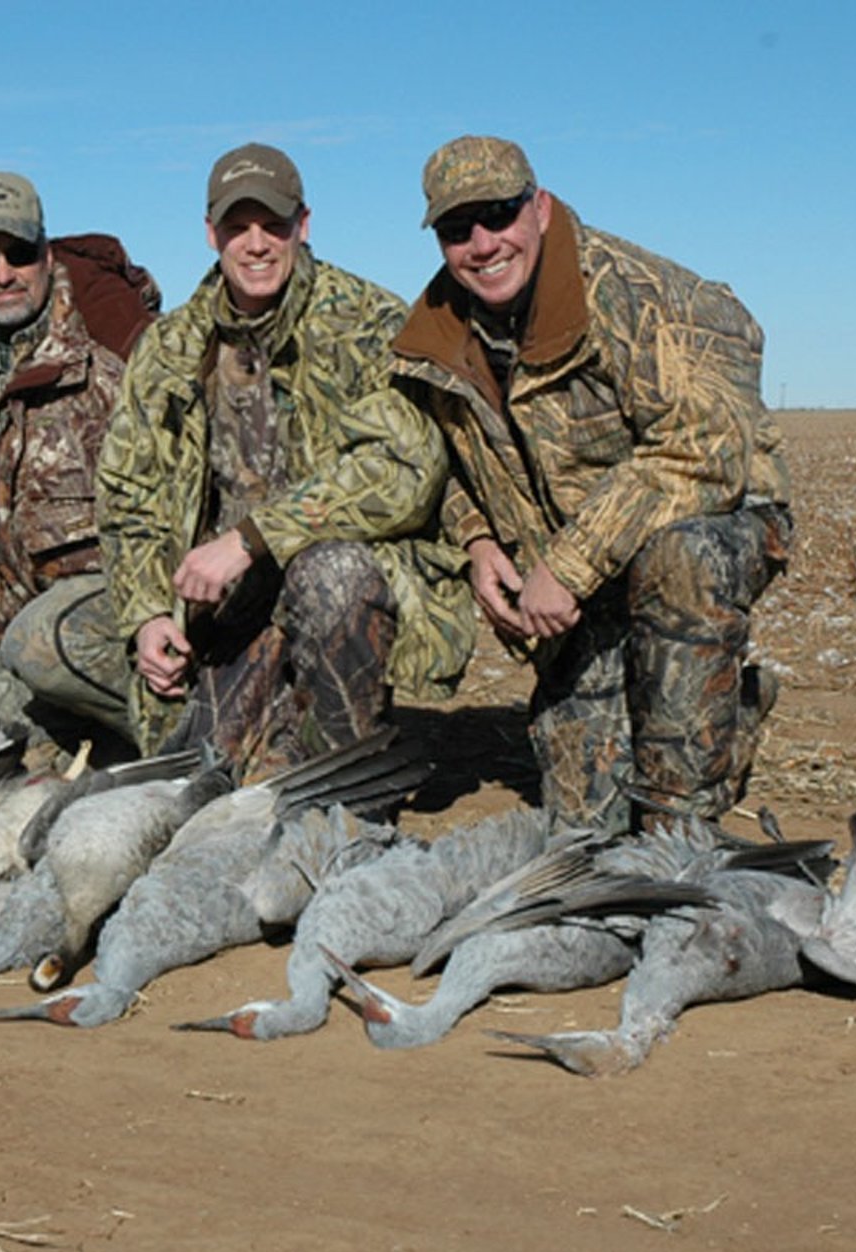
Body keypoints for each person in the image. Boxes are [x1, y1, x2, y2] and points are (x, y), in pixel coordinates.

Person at [391, 135, 793, 834]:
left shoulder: (646, 297)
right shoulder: (436, 334)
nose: (482, 244)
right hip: (579, 569)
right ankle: (714, 710)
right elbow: (439, 458)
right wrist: (477, 540)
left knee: (682, 559)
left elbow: (706, 450)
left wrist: (569, 567)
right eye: (458, 229)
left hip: (708, 525)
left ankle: (683, 824)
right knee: (586, 819)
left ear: (539, 208)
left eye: (498, 215)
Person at [97, 143, 475, 780]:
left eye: (274, 225)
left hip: (332, 580)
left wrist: (251, 539)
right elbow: (129, 490)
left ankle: (351, 783)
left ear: (303, 225)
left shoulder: (367, 321)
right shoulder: (170, 346)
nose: (257, 244)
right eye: (238, 227)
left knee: (333, 575)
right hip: (225, 605)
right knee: (200, 774)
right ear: (211, 233)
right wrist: (147, 616)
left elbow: (404, 471)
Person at [0, 171, 160, 758]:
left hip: (128, 621)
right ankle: (95, 730)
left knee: (38, 646)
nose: (3, 273)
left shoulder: (115, 349)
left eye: (19, 253)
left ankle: (203, 734)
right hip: (27, 639)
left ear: (46, 253)